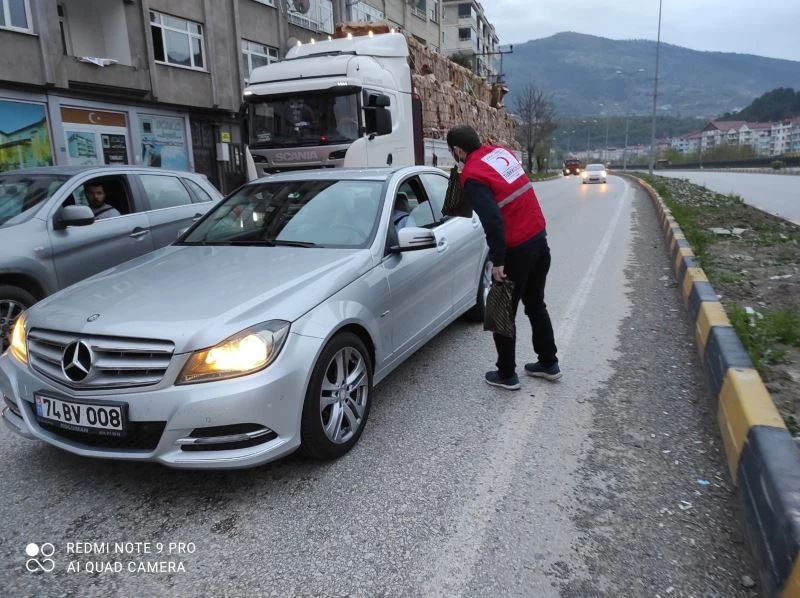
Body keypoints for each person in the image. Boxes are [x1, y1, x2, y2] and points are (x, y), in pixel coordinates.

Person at [447, 124, 560, 390]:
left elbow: (493, 221)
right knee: (536, 305)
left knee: (501, 312)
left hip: (516, 250)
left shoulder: (472, 175)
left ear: (457, 150)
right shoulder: (500, 153)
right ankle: (548, 363)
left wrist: (498, 261)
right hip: (538, 240)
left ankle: (507, 374)